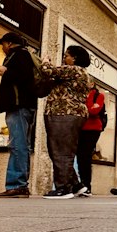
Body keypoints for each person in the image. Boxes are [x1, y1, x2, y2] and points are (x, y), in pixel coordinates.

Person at [42, 45, 94, 198]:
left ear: (75, 58)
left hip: (64, 113)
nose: (64, 59)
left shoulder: (74, 70)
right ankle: (76, 185)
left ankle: (63, 188)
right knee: (61, 150)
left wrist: (45, 61)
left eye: (67, 56)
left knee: (61, 151)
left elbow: (48, 70)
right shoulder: (82, 73)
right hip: (71, 114)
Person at [0, 31, 36, 197]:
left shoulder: (20, 55)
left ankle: (17, 184)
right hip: (21, 106)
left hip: (19, 106)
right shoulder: (22, 55)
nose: (2, 49)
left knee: (17, 145)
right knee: (21, 145)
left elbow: (25, 78)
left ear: (9, 43)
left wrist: (5, 72)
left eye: (3, 45)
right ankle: (20, 184)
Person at [75, 81, 106, 197]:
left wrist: (87, 102)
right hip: (80, 128)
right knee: (80, 156)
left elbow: (94, 111)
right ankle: (82, 184)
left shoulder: (99, 95)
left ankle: (87, 185)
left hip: (93, 128)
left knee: (86, 156)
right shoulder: (80, 94)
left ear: (92, 83)